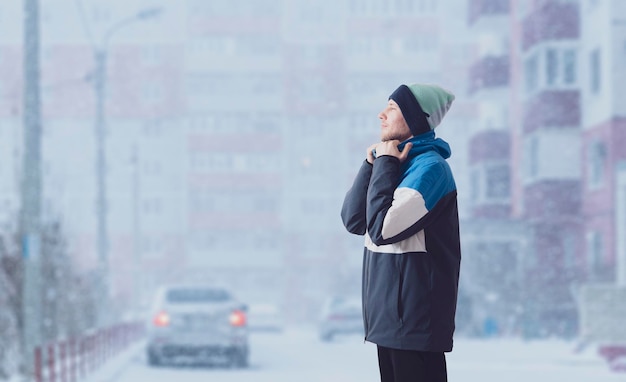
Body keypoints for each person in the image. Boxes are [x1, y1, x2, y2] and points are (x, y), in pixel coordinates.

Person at [341, 83, 461, 382]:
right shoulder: (397, 165)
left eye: (392, 108)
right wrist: (372, 164)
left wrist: (384, 163)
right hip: (391, 320)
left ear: (416, 118)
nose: (381, 115)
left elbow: (383, 229)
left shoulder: (430, 170)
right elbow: (354, 220)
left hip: (414, 322)